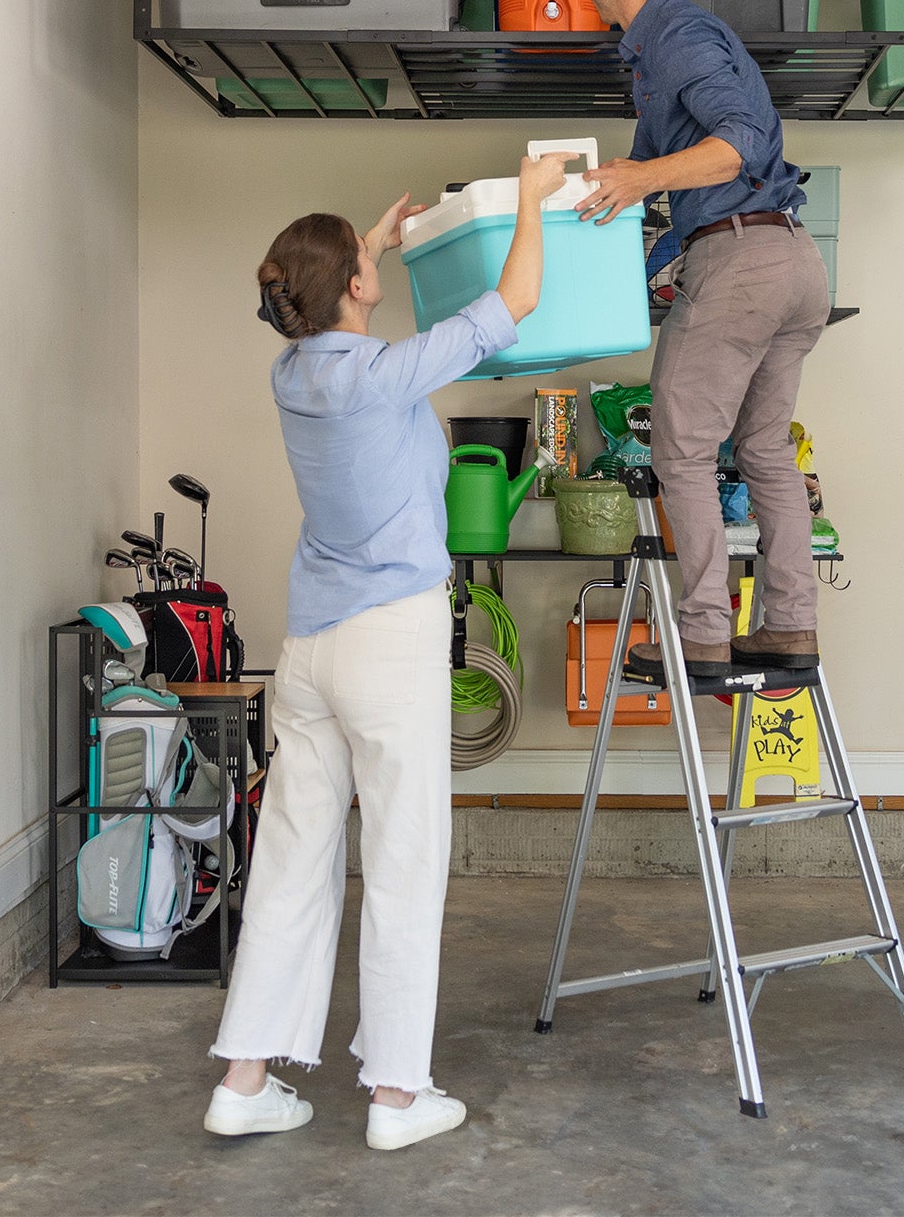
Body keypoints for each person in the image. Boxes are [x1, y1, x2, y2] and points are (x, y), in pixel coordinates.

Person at [205, 149, 572, 1152]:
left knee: (292, 860)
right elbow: (515, 301)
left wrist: (364, 245)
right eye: (365, 270)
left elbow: (321, 308)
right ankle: (397, 1097)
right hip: (389, 643)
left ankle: (244, 1079)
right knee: (405, 859)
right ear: (357, 289)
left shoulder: (291, 370)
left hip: (310, 651)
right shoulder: (382, 373)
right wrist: (530, 202)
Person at [570, 0, 826, 682]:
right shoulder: (663, 47)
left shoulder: (677, 37)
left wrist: (640, 177)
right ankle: (791, 627)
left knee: (680, 450)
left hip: (743, 262)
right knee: (764, 450)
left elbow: (739, 144)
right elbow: (667, 183)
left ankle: (705, 634)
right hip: (791, 261)